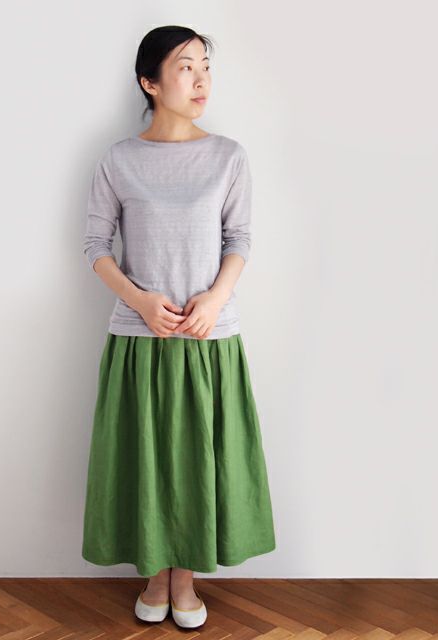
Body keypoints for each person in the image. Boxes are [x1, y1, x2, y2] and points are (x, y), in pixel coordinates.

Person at [80, 26, 276, 629]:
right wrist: (140, 301)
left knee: (197, 461)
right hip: (140, 339)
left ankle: (185, 577)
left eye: (205, 67)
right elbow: (95, 246)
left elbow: (239, 240)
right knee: (148, 459)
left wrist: (215, 300)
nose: (201, 80)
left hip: (207, 340)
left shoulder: (228, 157)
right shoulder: (118, 159)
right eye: (186, 67)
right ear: (150, 82)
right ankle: (154, 574)